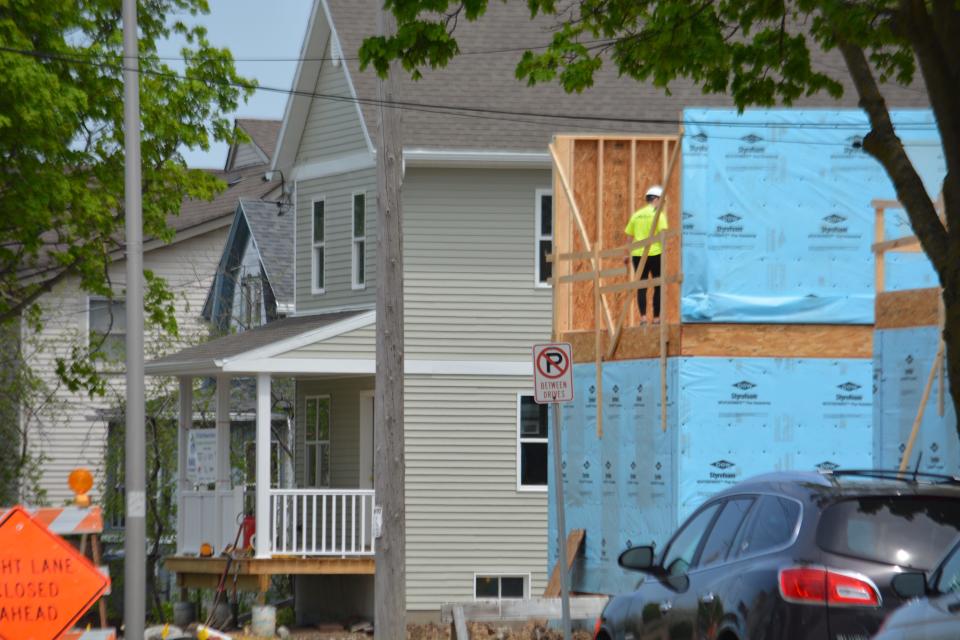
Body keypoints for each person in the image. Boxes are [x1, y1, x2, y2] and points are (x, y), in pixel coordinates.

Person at [624, 185, 668, 322]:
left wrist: (626, 254)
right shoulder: (658, 214)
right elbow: (663, 235)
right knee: (658, 285)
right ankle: (656, 318)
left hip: (637, 254)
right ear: (656, 199)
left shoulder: (636, 215)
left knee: (641, 286)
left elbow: (629, 236)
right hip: (655, 253)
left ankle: (643, 318)